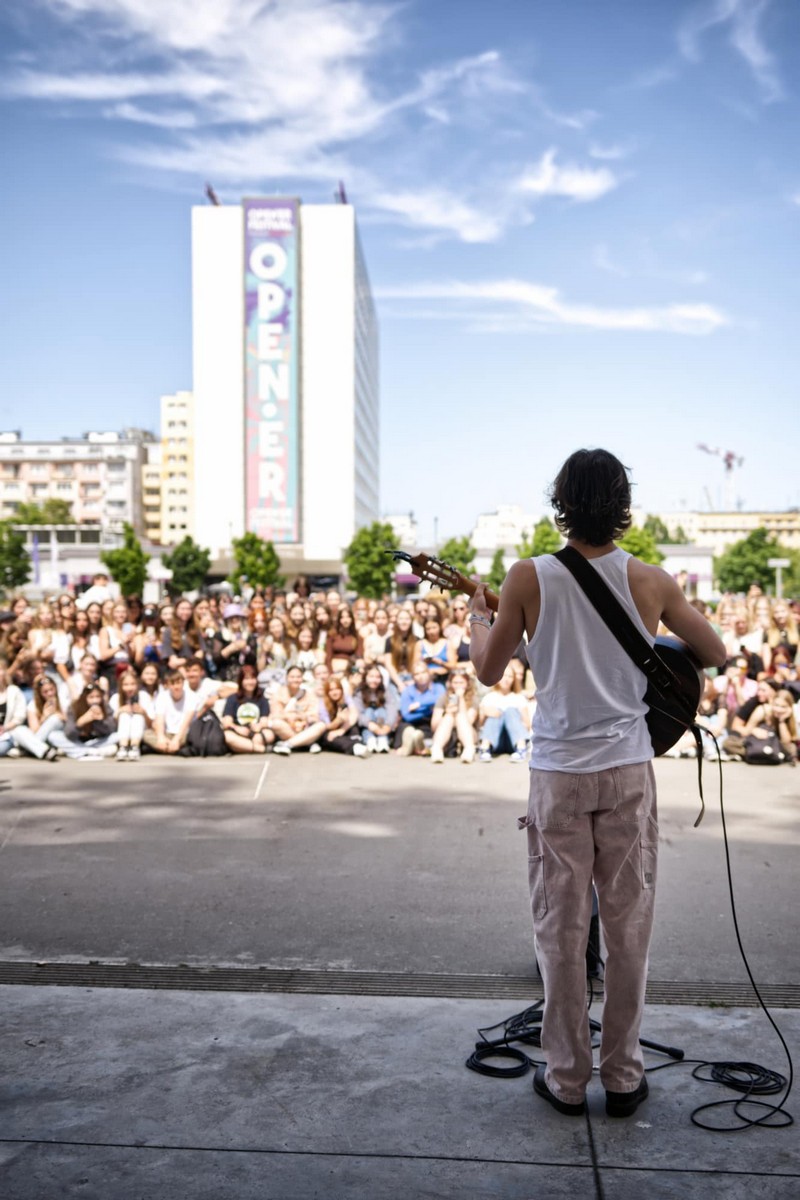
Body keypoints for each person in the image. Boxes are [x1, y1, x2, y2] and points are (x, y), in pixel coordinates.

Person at [468, 448, 725, 1119]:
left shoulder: (528, 576)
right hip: (627, 771)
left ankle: (563, 1078)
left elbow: (490, 672)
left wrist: (478, 621)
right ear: (622, 502)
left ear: (562, 501)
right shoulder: (651, 580)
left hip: (559, 774)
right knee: (628, 926)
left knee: (558, 927)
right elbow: (718, 651)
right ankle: (622, 1076)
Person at [477, 665, 532, 762]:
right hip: (494, 740)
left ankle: (521, 749)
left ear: (514, 679)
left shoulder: (518, 698)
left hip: (514, 740)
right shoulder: (489, 697)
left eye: (510, 676)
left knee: (510, 710)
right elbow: (480, 724)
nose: (506, 679)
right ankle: (485, 748)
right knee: (496, 712)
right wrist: (486, 713)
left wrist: (514, 720)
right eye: (504, 676)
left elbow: (527, 725)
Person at [270, 665, 327, 755]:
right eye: (292, 677)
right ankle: (307, 742)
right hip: (287, 727)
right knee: (275, 724)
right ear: (286, 678)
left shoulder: (308, 694)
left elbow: (314, 715)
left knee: (321, 725)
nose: (295, 680)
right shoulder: (279, 693)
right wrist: (290, 718)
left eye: (298, 677)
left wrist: (303, 719)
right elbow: (275, 714)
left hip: (304, 727)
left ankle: (288, 744)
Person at [221, 665, 274, 754]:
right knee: (227, 736)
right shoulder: (232, 699)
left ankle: (244, 747)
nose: (250, 682)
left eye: (253, 678)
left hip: (256, 731)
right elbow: (227, 722)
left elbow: (264, 720)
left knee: (269, 734)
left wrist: (259, 726)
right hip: (238, 731)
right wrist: (237, 728)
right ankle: (259, 749)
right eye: (246, 679)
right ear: (241, 681)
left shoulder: (262, 699)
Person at [429, 669, 479, 763]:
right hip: (447, 734)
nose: (458, 686)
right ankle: (437, 750)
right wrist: (447, 713)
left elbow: (469, 721)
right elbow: (434, 725)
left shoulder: (473, 698)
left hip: (469, 735)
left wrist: (460, 699)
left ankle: (469, 750)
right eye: (455, 682)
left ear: (467, 684)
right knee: (449, 717)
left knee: (460, 717)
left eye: (461, 682)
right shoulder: (443, 697)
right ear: (450, 683)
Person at [395, 664, 445, 755]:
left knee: (423, 732)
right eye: (417, 674)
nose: (420, 676)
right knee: (405, 728)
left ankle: (417, 744)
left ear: (428, 673)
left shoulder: (438, 687)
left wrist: (419, 704)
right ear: (413, 677)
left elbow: (441, 698)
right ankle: (408, 745)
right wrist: (428, 709)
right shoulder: (407, 691)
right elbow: (406, 715)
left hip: (427, 722)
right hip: (410, 721)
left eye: (423, 672)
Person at [354, 664, 399, 753]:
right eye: (371, 676)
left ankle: (383, 740)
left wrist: (388, 725)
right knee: (369, 711)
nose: (374, 680)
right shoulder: (359, 692)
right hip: (368, 726)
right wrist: (370, 724)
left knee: (381, 710)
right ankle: (370, 740)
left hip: (383, 724)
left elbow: (392, 709)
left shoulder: (385, 691)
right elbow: (357, 713)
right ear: (365, 677)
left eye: (377, 677)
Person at [110, 668, 150, 760]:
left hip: (140, 733)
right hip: (120, 734)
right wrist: (119, 711)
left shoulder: (144, 696)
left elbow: (151, 723)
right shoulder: (115, 698)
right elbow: (111, 724)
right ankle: (123, 747)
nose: (129, 688)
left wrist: (143, 712)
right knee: (124, 715)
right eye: (126, 685)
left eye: (132, 684)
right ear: (121, 686)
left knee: (137, 716)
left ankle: (134, 747)